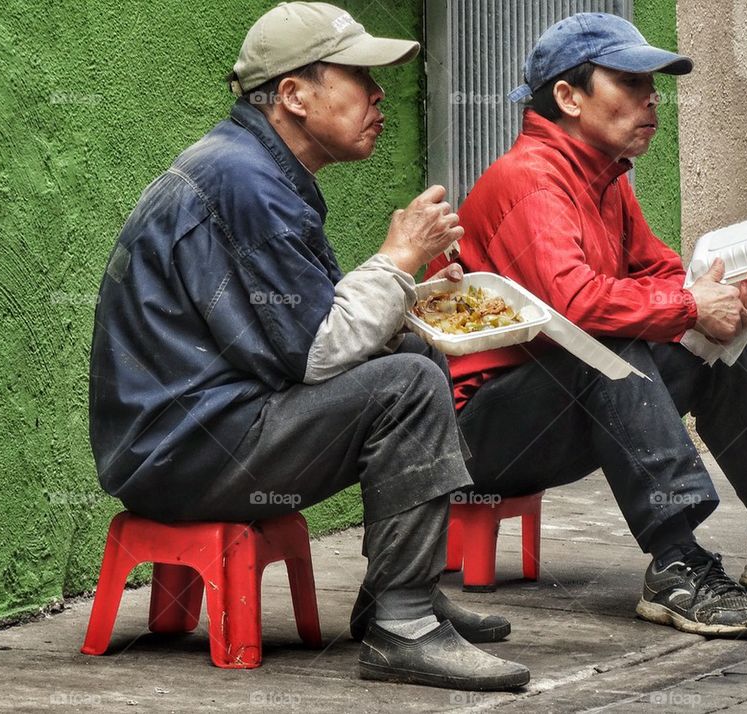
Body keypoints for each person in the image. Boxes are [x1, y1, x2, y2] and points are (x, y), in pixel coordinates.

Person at [88, 2, 529, 691]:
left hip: (200, 434)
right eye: (359, 77)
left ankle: (396, 594)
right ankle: (402, 633)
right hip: (177, 454)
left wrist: (409, 300)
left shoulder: (256, 171)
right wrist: (395, 259)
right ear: (293, 94)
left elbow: (306, 328)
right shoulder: (245, 183)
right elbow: (316, 354)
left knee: (414, 357)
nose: (379, 96)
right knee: (406, 384)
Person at [428, 13, 747, 639]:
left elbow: (664, 276)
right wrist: (690, 305)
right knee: (612, 339)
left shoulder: (604, 177)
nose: (650, 97)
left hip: (557, 412)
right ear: (568, 98)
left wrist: (735, 296)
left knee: (713, 339)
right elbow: (575, 307)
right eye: (628, 82)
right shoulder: (532, 180)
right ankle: (676, 562)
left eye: (651, 84)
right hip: (482, 437)